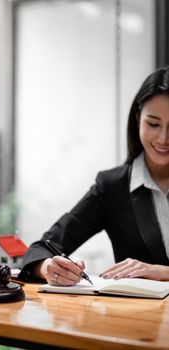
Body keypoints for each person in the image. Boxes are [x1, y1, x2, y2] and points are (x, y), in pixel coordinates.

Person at [18, 66, 169, 285]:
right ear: (138, 118)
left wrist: (163, 272)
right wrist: (47, 268)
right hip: (138, 318)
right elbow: (41, 249)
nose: (164, 138)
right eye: (153, 124)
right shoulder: (112, 188)